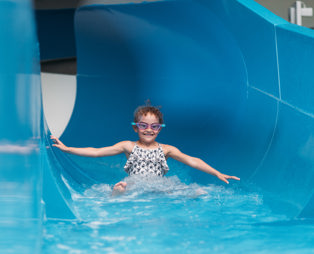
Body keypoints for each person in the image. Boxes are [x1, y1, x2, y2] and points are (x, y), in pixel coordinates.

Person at [51, 101, 240, 194]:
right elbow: (97, 151)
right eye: (143, 125)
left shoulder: (167, 149)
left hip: (159, 184)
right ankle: (117, 195)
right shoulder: (128, 146)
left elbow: (192, 160)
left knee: (187, 190)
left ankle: (192, 196)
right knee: (124, 188)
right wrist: (68, 149)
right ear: (136, 127)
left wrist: (216, 173)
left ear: (160, 129)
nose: (148, 130)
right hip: (135, 182)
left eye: (154, 126)